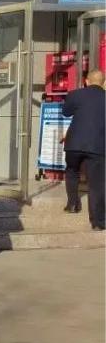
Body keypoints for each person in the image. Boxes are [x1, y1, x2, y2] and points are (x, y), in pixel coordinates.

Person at [62, 69, 105, 231]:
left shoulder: (75, 94)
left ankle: (73, 205)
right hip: (97, 145)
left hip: (74, 143)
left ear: (87, 81)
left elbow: (66, 113)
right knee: (96, 182)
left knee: (72, 171)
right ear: (103, 83)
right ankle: (97, 222)